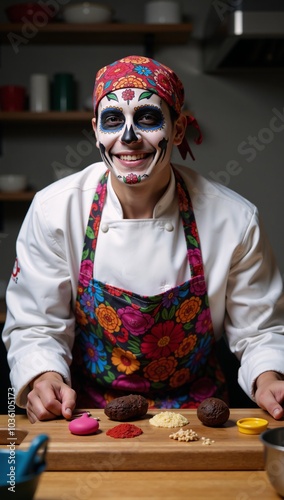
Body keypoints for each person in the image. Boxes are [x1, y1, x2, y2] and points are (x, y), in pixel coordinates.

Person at [2, 55, 284, 424]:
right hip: (86, 414)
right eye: (113, 121)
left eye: (148, 118)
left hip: (202, 416)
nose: (129, 138)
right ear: (96, 130)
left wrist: (269, 378)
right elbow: (37, 324)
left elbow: (260, 329)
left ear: (178, 129)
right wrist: (44, 376)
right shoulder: (54, 211)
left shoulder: (234, 219)